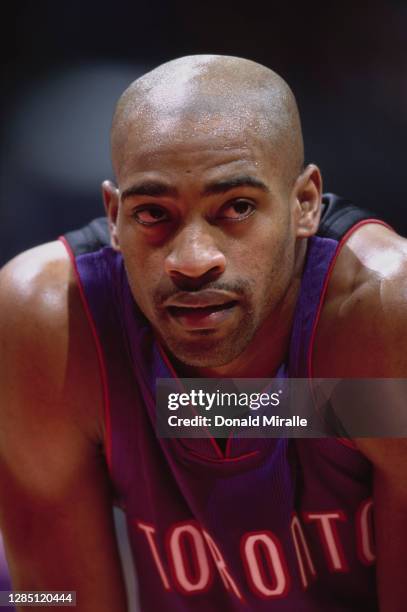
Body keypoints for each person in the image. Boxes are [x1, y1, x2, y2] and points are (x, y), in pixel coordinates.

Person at [0, 54, 406, 612]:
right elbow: (57, 599)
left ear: (304, 203)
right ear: (114, 215)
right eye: (152, 214)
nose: (192, 261)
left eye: (236, 207)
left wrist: (177, 409)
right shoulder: (46, 323)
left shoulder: (383, 313)